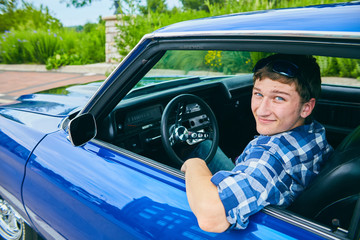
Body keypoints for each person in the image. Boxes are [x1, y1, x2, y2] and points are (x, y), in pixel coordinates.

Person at [181, 54, 334, 233]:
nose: (261, 110)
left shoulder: (271, 155)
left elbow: (212, 217)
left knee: (200, 152)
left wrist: (195, 164)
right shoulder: (313, 131)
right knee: (205, 146)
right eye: (258, 94)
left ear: (306, 107)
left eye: (279, 98)